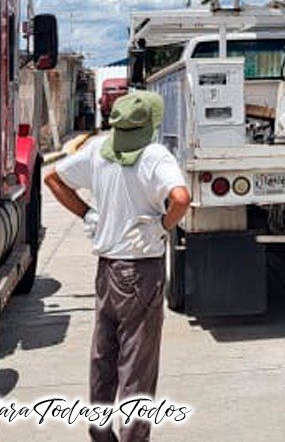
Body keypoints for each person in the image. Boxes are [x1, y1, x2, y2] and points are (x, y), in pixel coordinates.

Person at [45, 91, 191, 442]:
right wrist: (162, 225)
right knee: (137, 368)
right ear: (151, 125)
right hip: (141, 272)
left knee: (104, 357)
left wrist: (88, 213)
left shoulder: (98, 150)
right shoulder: (155, 156)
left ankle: (100, 432)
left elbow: (53, 178)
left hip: (107, 271)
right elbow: (181, 198)